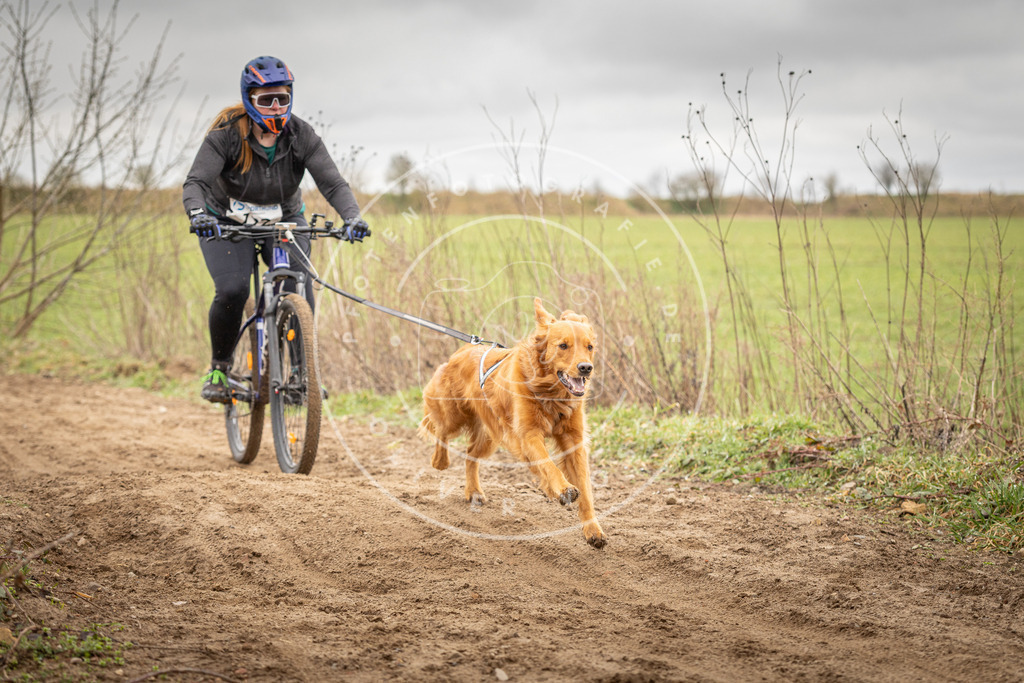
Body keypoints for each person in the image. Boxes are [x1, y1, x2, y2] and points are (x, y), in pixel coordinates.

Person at [182, 56, 368, 403]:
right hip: (225, 223)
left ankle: (300, 374)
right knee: (233, 290)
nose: (276, 107)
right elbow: (195, 183)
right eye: (267, 100)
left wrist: (352, 217)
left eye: (283, 98)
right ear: (250, 99)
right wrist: (198, 215)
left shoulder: (301, 135)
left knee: (297, 282)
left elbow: (333, 183)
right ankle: (219, 369)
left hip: (284, 220)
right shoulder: (226, 135)